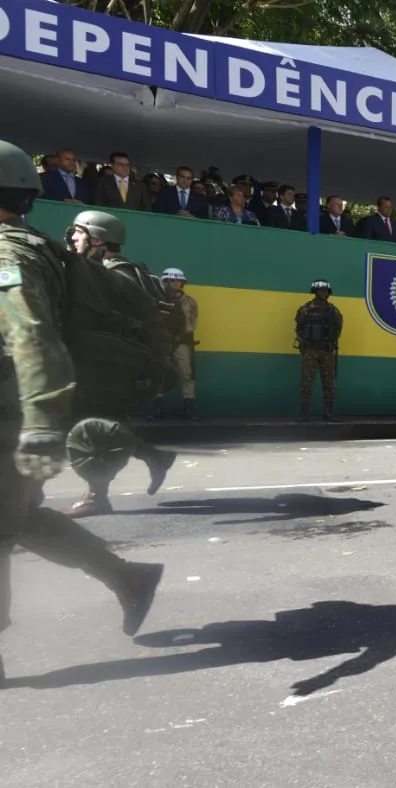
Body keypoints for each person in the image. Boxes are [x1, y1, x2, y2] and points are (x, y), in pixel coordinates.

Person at [0, 140, 164, 679]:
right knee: (17, 519)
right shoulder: (38, 247)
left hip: (12, 414)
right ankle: (128, 579)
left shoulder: (10, 253)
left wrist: (44, 425)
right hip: (19, 410)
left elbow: (31, 336)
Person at [60, 210, 177, 517]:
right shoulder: (104, 271)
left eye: (78, 233)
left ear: (97, 238)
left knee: (90, 430)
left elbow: (145, 326)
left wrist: (150, 374)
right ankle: (155, 457)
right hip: (108, 364)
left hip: (115, 367)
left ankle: (96, 496)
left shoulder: (113, 274)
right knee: (99, 425)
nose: (72, 238)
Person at [295, 280, 343, 421]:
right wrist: (303, 341)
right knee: (306, 383)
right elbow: (298, 327)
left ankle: (328, 413)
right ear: (315, 292)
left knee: (328, 382)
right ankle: (304, 413)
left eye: (326, 291)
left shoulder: (333, 311)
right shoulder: (305, 309)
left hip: (326, 350)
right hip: (310, 350)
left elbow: (338, 327)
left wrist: (332, 340)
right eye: (321, 291)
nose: (324, 293)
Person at [158, 268, 199, 419]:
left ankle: (189, 409)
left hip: (182, 342)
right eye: (172, 280)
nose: (176, 283)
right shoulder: (157, 299)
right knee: (159, 374)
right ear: (165, 282)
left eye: (179, 281)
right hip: (161, 342)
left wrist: (180, 337)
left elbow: (192, 323)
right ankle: (158, 409)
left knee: (187, 374)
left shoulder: (189, 302)